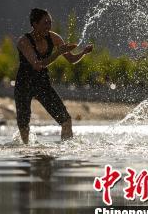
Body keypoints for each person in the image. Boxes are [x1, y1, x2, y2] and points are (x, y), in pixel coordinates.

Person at [14, 8, 93, 143]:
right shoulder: (23, 41)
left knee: (66, 120)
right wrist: (57, 53)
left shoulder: (54, 37)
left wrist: (83, 52)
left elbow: (71, 60)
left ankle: (65, 151)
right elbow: (37, 65)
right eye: (45, 23)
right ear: (34, 24)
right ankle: (26, 153)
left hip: (42, 83)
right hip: (24, 84)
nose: (48, 26)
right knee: (23, 124)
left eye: (50, 23)